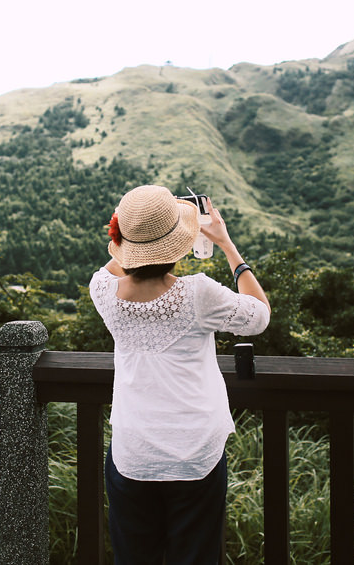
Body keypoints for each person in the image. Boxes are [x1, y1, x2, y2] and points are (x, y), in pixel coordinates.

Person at [89, 184, 271, 564]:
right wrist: (227, 245)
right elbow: (259, 315)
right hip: (195, 454)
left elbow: (118, 264)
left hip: (133, 453)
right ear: (179, 245)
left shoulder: (103, 290)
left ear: (124, 241)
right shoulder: (199, 293)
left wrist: (138, 231)